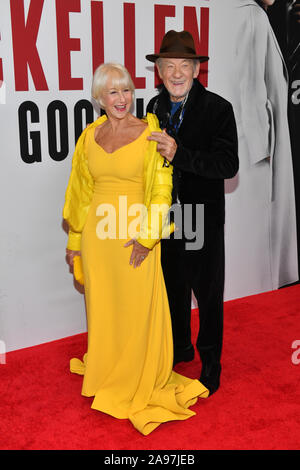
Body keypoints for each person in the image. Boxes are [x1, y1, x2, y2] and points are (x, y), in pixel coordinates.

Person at [63, 63, 209, 436]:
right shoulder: (88, 138)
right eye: (112, 92)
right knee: (104, 306)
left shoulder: (150, 133)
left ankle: (137, 375)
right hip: (99, 238)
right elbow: (80, 194)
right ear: (99, 98)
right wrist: (76, 242)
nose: (122, 99)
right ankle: (108, 369)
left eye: (126, 90)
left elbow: (161, 191)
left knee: (136, 308)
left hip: (135, 236)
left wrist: (147, 238)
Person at [146, 31, 239, 395]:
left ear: (197, 69)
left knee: (209, 293)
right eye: (168, 66)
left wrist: (178, 153)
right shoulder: (153, 109)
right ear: (159, 71)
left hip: (204, 218)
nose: (176, 72)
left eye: (184, 65)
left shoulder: (219, 109)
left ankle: (211, 364)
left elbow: (228, 165)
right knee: (173, 289)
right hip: (168, 219)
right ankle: (180, 348)